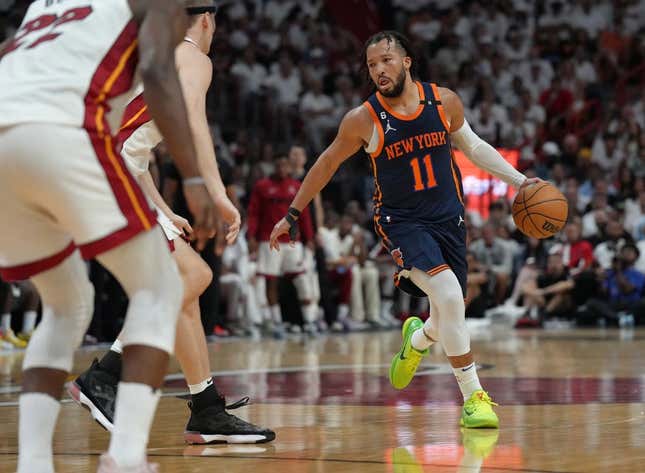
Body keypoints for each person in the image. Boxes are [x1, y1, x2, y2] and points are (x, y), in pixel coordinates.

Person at [270, 31, 540, 429]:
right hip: (401, 221)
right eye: (372, 65)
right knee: (448, 294)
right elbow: (326, 164)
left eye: (386, 60)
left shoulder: (443, 100)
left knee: (449, 309)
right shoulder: (363, 118)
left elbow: (475, 147)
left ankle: (416, 341)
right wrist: (291, 215)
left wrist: (521, 182)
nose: (379, 69)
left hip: (449, 217)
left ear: (407, 61)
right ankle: (473, 397)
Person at [0, 1, 219, 472]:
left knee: (64, 307)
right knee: (162, 288)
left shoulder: (44, 4)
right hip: (63, 131)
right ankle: (125, 457)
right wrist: (196, 181)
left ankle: (33, 463)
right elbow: (160, 73)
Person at [69, 1, 275, 445]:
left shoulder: (154, 53)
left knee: (185, 295)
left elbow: (133, 148)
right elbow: (195, 128)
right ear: (207, 20)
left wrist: (162, 207)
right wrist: (219, 196)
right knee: (194, 274)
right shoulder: (193, 57)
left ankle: (206, 409)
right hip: (102, 170)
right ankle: (105, 375)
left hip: (100, 165)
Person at [247, 156, 317, 335]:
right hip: (269, 240)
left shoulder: (296, 186)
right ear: (273, 166)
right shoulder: (262, 186)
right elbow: (253, 213)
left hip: (294, 241)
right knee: (270, 281)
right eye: (278, 164)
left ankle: (309, 321)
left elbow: (305, 214)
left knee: (301, 279)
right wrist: (251, 237)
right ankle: (275, 322)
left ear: (288, 167)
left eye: (284, 164)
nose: (281, 167)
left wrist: (310, 237)